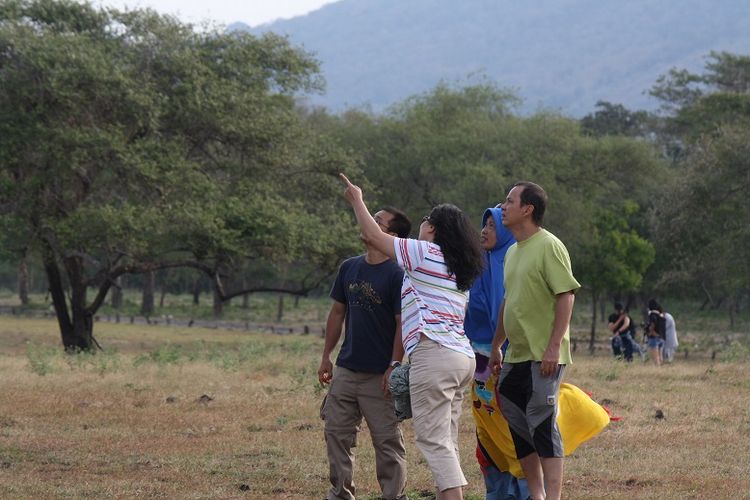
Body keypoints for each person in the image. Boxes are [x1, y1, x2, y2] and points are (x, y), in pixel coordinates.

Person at [340, 173, 483, 500]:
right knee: (446, 440)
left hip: (435, 356)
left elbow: (374, 237)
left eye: (425, 220)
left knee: (433, 441)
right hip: (462, 359)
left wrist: (357, 200)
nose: (421, 224)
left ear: (433, 228)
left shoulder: (424, 253)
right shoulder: (458, 269)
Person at [489, 181, 580, 500]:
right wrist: (497, 344)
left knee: (541, 420)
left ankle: (552, 497)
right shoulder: (512, 252)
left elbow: (565, 295)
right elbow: (508, 302)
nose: (503, 206)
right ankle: (536, 494)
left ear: (527, 209)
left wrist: (554, 346)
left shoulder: (549, 245)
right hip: (517, 353)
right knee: (515, 417)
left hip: (544, 353)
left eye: (509, 201)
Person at [318, 206, 412, 500]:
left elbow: (401, 324)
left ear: (391, 235)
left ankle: (393, 496)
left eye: (377, 221)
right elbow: (337, 313)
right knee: (336, 433)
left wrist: (394, 366)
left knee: (386, 441)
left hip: (380, 374)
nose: (369, 223)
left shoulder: (398, 274)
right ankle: (341, 494)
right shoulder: (349, 267)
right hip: (347, 368)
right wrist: (326, 356)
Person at [464, 206, 530, 499]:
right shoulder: (481, 264)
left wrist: (499, 349)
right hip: (478, 363)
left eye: (492, 225)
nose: (485, 230)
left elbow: (509, 314)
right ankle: (497, 493)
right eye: (484, 224)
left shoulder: (509, 261)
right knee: (487, 432)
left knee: (511, 430)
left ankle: (523, 491)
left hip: (505, 358)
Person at [646, 299, 666, 366]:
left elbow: (653, 324)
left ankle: (658, 371)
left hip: (654, 338)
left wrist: (650, 332)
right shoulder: (661, 315)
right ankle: (662, 371)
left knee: (655, 358)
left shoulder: (652, 315)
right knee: (660, 357)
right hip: (661, 337)